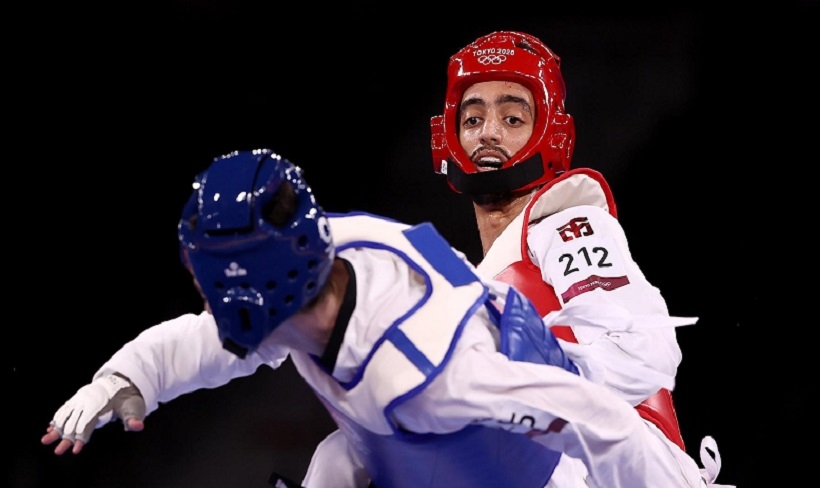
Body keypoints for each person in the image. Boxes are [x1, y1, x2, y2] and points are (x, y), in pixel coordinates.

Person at [42, 149, 723, 488]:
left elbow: (594, 418)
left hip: (537, 475)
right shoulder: (328, 247)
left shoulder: (430, 373)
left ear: (264, 295)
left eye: (216, 287)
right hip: (407, 452)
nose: (210, 305)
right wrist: (127, 377)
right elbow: (210, 338)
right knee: (334, 461)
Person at [302, 30, 731, 487]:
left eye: (511, 118)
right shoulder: (463, 281)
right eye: (472, 120)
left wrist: (533, 368)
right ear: (445, 137)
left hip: (625, 466)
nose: (488, 132)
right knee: (346, 450)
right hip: (539, 458)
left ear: (551, 133)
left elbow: (646, 354)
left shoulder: (569, 225)